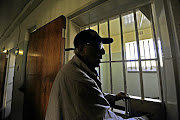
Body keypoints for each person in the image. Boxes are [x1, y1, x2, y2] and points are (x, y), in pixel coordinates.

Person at [45, 29, 149, 120]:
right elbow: (105, 118)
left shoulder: (75, 70)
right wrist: (143, 119)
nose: (103, 51)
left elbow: (90, 100)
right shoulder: (79, 79)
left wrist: (113, 98)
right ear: (81, 49)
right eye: (97, 45)